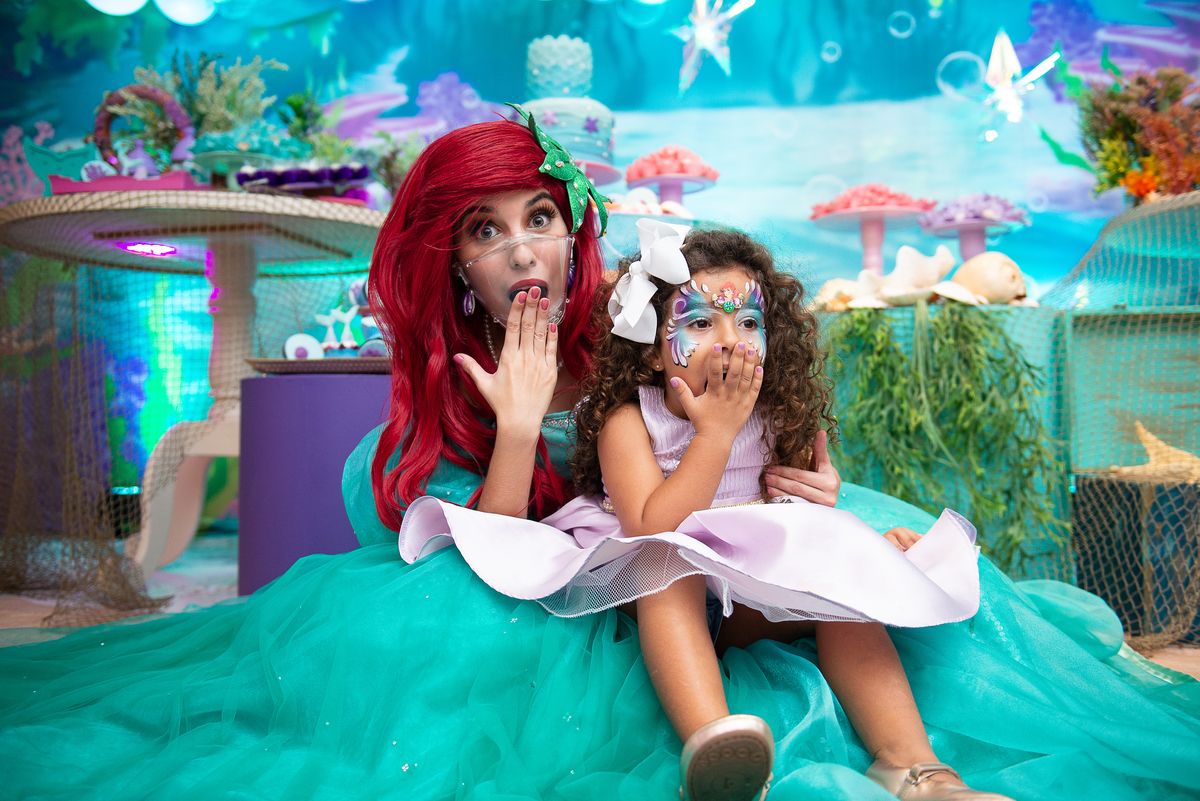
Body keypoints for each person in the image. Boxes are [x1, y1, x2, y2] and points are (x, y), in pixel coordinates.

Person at [398, 222, 996, 801]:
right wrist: (714, 435)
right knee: (667, 567)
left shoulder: (773, 411)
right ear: (655, 352)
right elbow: (650, 526)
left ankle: (913, 768)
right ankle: (715, 747)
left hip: (745, 603)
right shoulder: (631, 420)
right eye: (701, 322)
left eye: (749, 322)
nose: (731, 341)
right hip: (655, 600)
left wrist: (854, 541)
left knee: (844, 599)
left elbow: (791, 515)